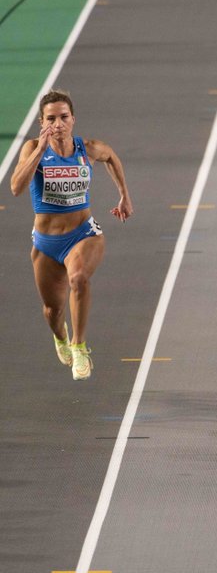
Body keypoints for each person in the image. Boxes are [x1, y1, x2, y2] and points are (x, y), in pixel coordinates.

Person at [10, 89, 134, 380]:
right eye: (51, 118)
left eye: (63, 117)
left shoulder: (86, 148)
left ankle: (79, 345)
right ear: (42, 122)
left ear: (73, 119)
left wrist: (124, 196)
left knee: (78, 278)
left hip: (83, 233)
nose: (58, 124)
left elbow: (111, 156)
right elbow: (16, 187)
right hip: (46, 242)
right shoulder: (32, 149)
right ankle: (61, 337)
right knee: (52, 310)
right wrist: (40, 151)